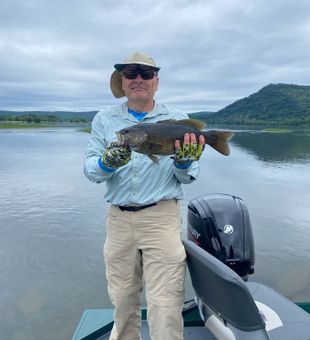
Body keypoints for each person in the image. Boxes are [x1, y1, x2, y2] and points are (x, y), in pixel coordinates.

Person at [84, 52, 205, 340]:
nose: (138, 78)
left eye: (146, 74)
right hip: (119, 220)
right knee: (123, 297)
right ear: (122, 83)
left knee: (165, 301)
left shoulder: (177, 120)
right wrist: (105, 162)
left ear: (156, 82)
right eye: (131, 73)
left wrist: (185, 162)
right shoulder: (104, 119)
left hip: (161, 217)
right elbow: (91, 170)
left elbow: (187, 176)